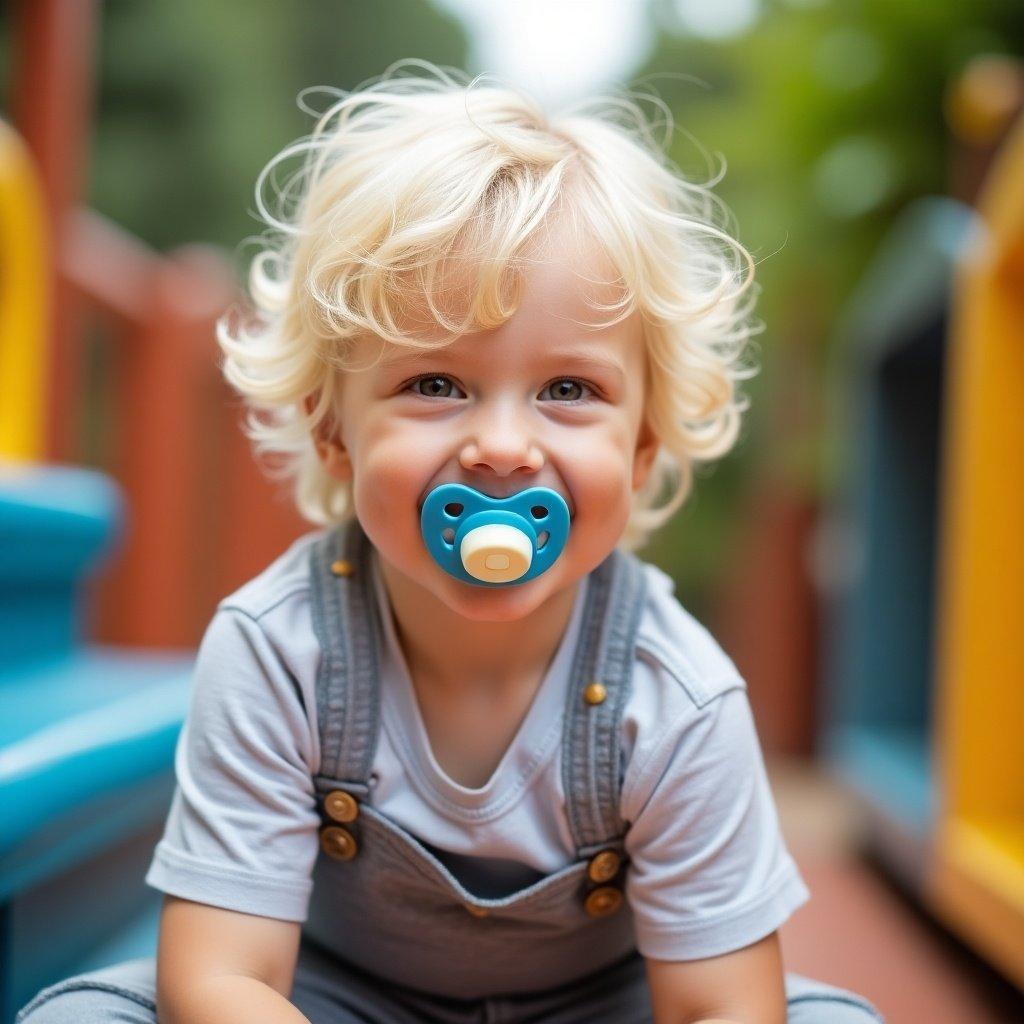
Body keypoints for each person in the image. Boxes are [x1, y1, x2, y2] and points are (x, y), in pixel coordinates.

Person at [17, 61, 884, 1024]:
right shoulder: (280, 649)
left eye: (568, 391)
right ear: (333, 429)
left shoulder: (673, 693)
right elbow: (222, 976)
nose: (505, 448)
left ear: (641, 447)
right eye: (436, 384)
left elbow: (721, 1005)